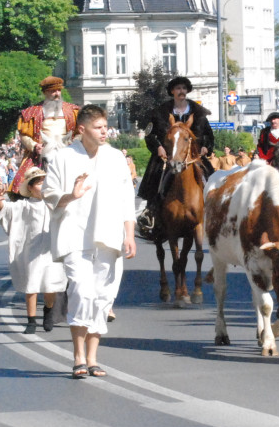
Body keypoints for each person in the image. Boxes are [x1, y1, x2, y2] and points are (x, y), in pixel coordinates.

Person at [44, 105, 137, 378]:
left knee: (102, 298)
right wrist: (71, 195)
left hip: (109, 237)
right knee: (82, 293)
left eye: (105, 126)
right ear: (82, 130)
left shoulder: (116, 157)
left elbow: (126, 199)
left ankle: (93, 358)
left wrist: (129, 234)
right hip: (75, 235)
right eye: (98, 127)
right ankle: (77, 356)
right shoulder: (63, 157)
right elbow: (50, 195)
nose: (104, 131)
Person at [0, 167, 65, 334]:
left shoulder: (56, 203)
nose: (43, 186)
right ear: (30, 188)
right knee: (31, 285)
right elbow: (5, 210)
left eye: (45, 182)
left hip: (51, 251)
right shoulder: (23, 206)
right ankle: (31, 321)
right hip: (31, 251)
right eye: (39, 183)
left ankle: (48, 309)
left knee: (50, 286)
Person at [137, 76, 214, 228]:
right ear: (172, 91)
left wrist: (206, 147)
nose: (181, 91)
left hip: (192, 156)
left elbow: (209, 135)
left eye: (184, 88)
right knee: (156, 175)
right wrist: (158, 147)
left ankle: (213, 209)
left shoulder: (198, 113)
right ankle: (151, 211)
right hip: (167, 155)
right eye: (178, 88)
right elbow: (149, 134)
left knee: (209, 175)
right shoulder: (160, 112)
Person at [11, 76, 80, 195]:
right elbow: (24, 135)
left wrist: (74, 143)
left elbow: (80, 133)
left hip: (67, 148)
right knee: (19, 181)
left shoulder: (73, 110)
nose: (56, 94)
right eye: (53, 91)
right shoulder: (32, 112)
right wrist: (34, 146)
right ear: (45, 92)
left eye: (58, 90)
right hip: (42, 150)